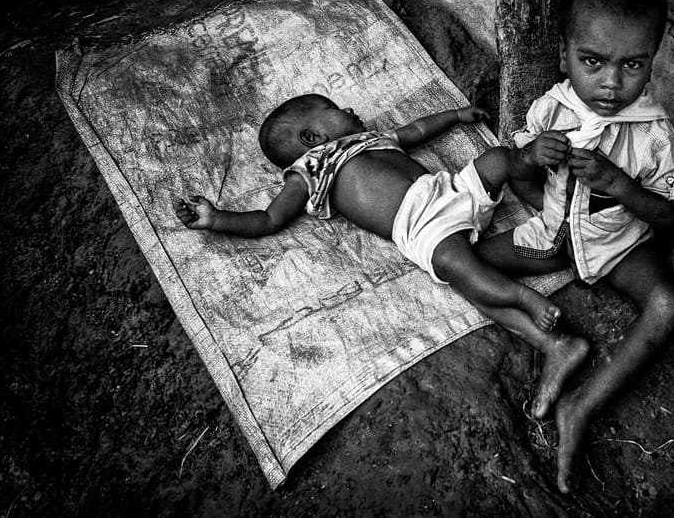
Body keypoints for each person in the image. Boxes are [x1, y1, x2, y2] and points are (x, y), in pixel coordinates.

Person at [173, 95, 598, 375]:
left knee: (499, 159)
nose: (349, 109)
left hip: (450, 188)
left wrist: (455, 116)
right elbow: (269, 219)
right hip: (422, 226)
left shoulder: (368, 137)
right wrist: (218, 218)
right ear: (313, 138)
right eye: (334, 107)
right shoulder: (310, 169)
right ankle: (523, 298)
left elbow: (416, 131)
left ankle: (550, 199)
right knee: (460, 269)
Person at [476, 0, 674, 493]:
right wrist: (529, 155)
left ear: (652, 60)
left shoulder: (655, 135)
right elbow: (516, 171)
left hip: (618, 245)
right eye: (592, 61)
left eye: (632, 64)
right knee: (467, 262)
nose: (611, 83)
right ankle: (554, 345)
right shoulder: (552, 108)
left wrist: (619, 185)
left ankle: (582, 404)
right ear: (564, 53)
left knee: (667, 305)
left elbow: (671, 217)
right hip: (552, 236)